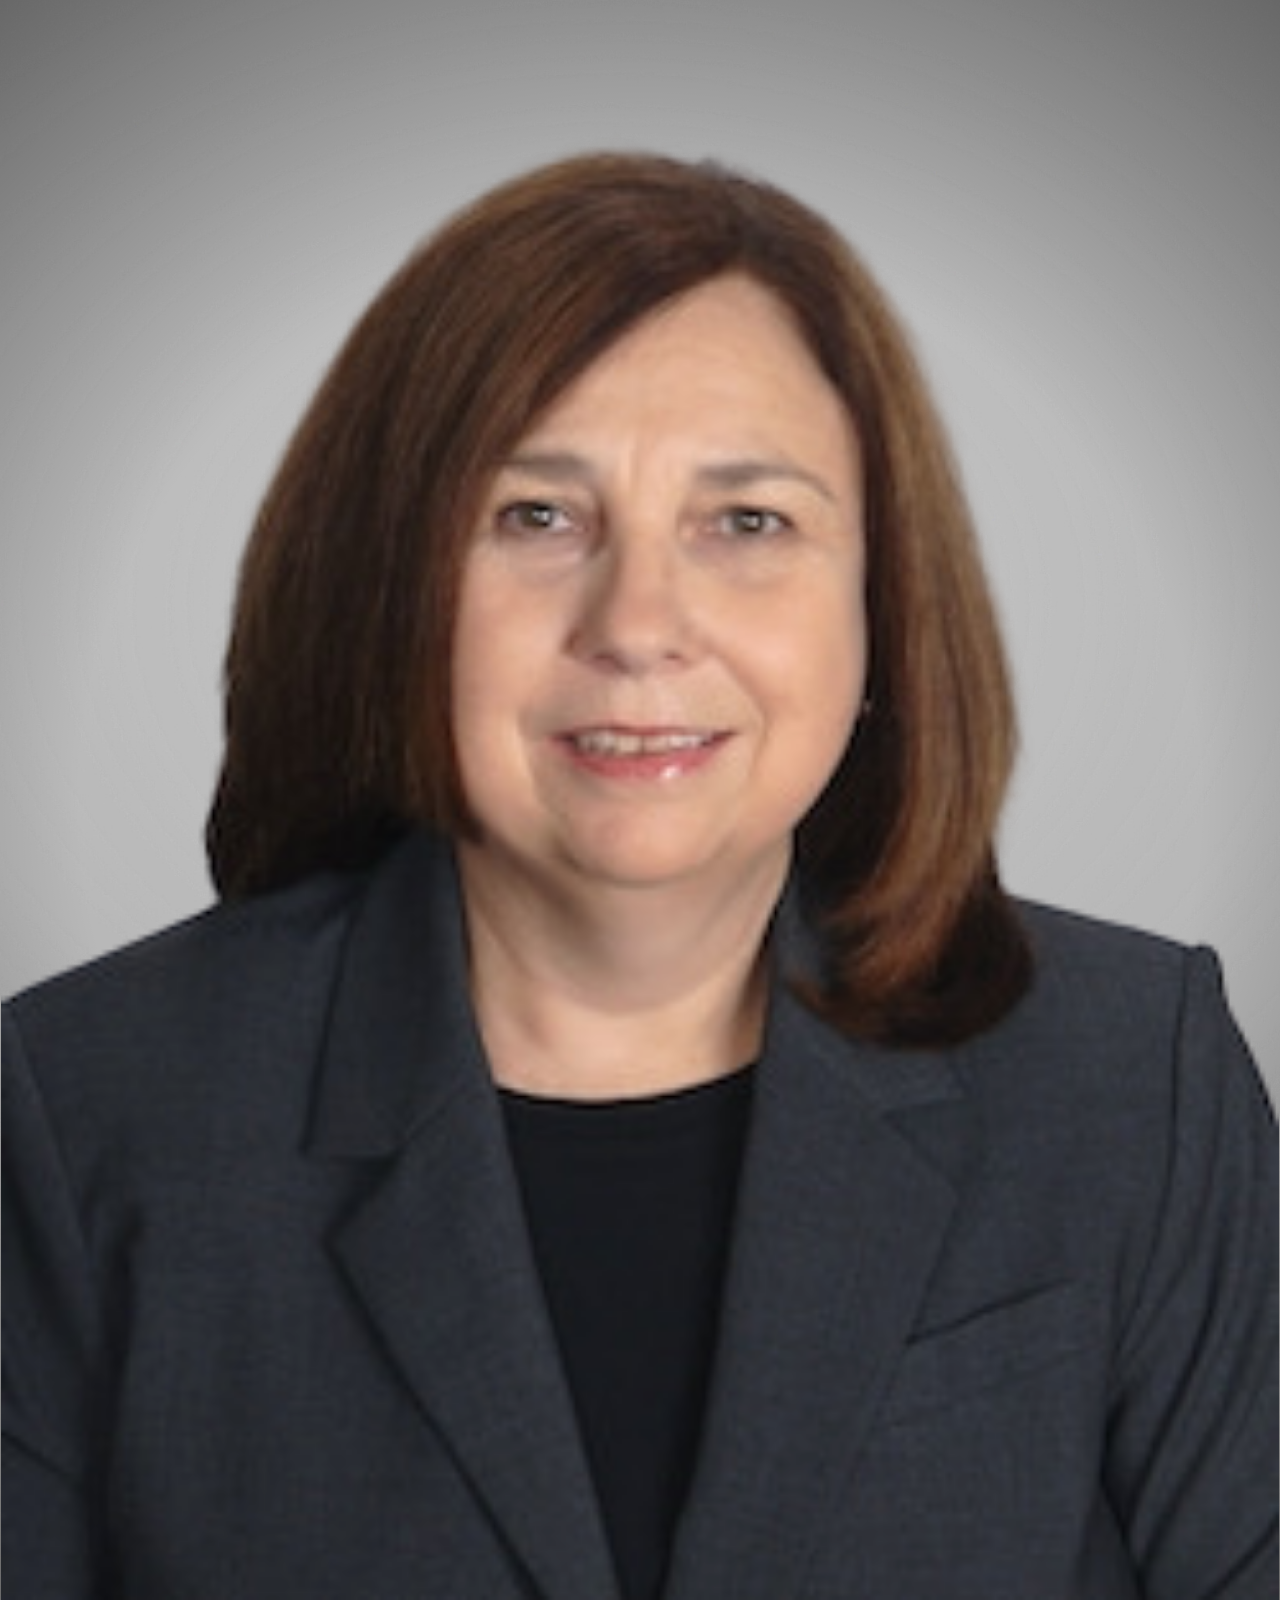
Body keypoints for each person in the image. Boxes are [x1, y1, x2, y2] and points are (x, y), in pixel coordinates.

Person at [3, 152, 1274, 1599]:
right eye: (537, 516)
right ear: (390, 587)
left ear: (880, 604)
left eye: (749, 522)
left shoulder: (1131, 1079)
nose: (639, 623)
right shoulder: (86, 1112)